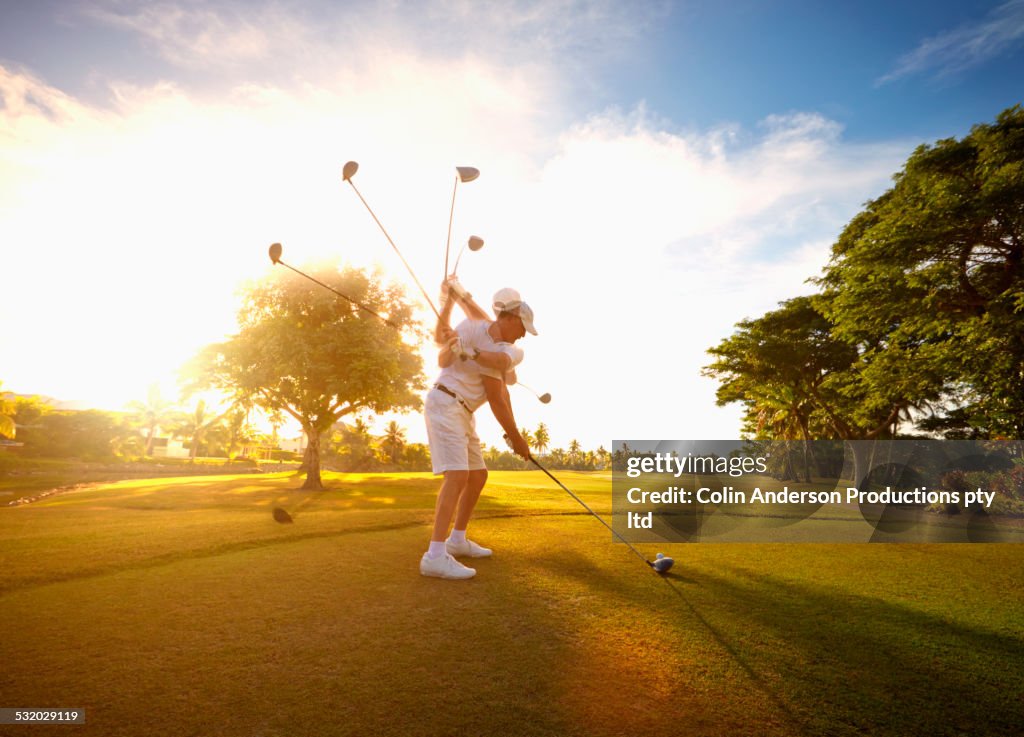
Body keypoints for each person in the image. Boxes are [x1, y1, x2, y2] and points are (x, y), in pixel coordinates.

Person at [419, 278, 536, 579]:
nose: (523, 336)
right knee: (457, 476)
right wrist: (451, 340)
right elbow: (441, 356)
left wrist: (517, 436)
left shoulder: (506, 352)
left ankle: (456, 540)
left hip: (464, 412)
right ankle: (434, 555)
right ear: (510, 318)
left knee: (478, 475)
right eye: (522, 328)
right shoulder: (473, 328)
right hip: (446, 402)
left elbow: (500, 397)